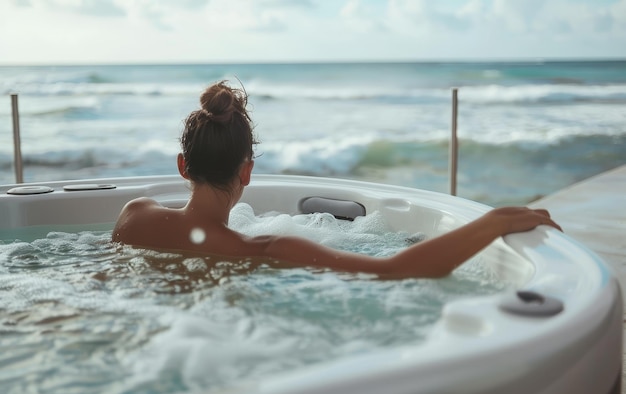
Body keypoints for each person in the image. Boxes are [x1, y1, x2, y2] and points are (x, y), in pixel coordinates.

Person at [112, 81, 561, 280]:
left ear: (182, 166)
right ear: (247, 171)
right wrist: (493, 221)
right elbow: (396, 271)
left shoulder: (134, 218)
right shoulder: (268, 249)